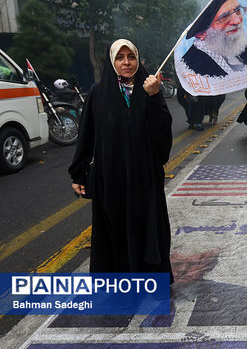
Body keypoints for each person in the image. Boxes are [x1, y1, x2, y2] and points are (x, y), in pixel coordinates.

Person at [69, 39, 173, 280]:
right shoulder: (98, 92)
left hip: (144, 178)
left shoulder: (150, 88)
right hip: (111, 178)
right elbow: (87, 134)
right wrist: (79, 172)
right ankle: (119, 284)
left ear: (138, 59)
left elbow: (162, 135)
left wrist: (152, 98)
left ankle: (153, 282)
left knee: (149, 230)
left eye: (131, 57)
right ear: (112, 61)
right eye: (120, 57)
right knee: (114, 231)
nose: (126, 63)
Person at [178, 0, 247, 78]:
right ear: (201, 34)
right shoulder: (191, 67)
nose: (237, 21)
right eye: (224, 17)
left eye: (237, 10)